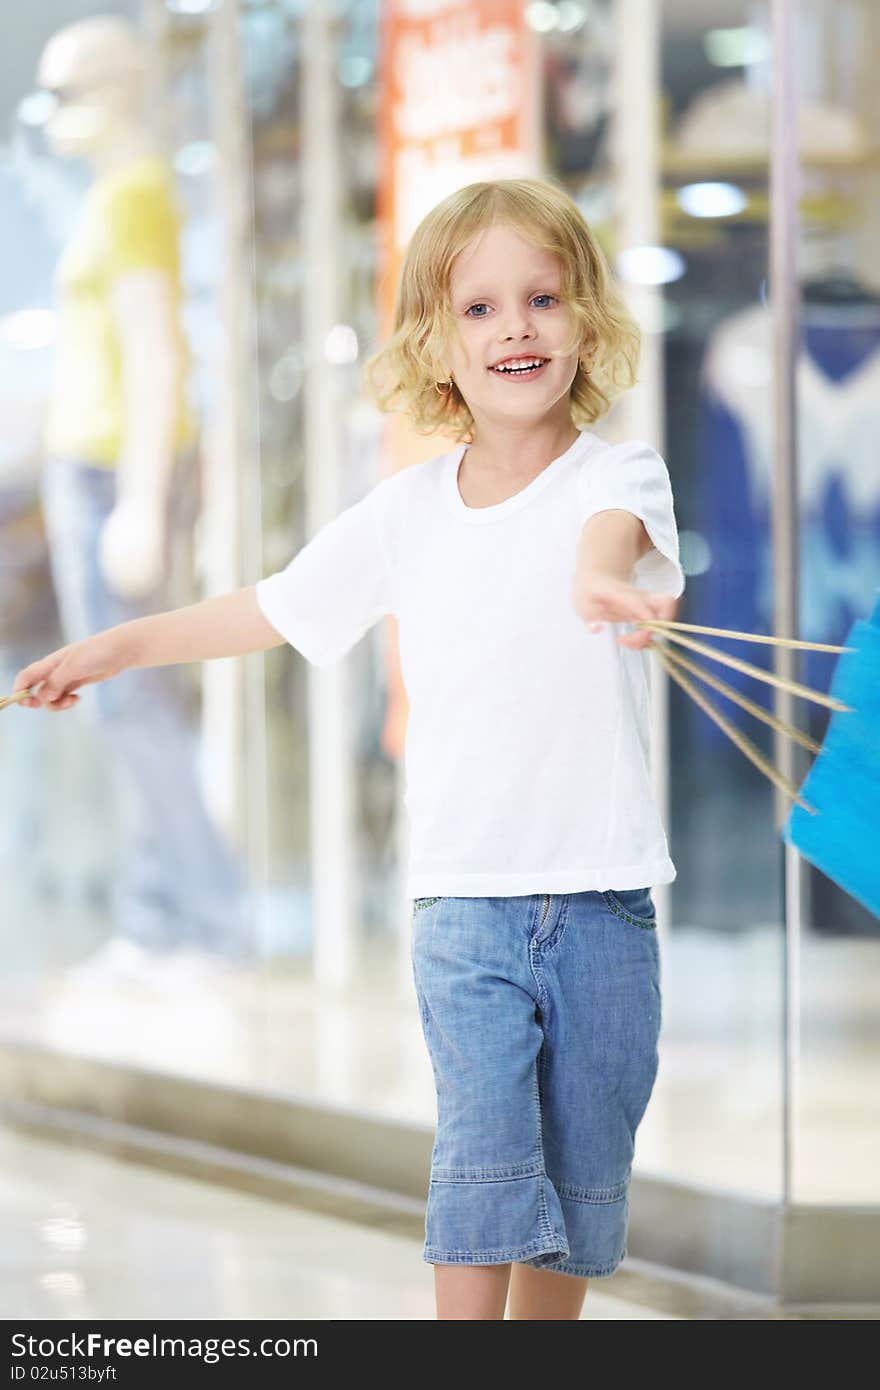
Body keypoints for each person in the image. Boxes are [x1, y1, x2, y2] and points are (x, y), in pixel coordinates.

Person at [12, 177, 684, 1319]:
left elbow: (602, 551)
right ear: (433, 338)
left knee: (575, 1186)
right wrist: (122, 646)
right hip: (464, 906)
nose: (514, 326)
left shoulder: (617, 480)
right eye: (478, 309)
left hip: (605, 902)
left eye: (542, 298)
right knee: (480, 1163)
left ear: (588, 321)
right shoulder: (405, 509)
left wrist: (602, 583)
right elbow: (272, 608)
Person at [33, 15, 247, 981]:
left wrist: (142, 503)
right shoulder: (114, 198)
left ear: (121, 87)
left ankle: (198, 920)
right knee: (127, 705)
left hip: (118, 470)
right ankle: (167, 916)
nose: (52, 114)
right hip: (94, 468)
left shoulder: (135, 197)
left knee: (131, 702)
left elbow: (159, 354)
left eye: (66, 91)